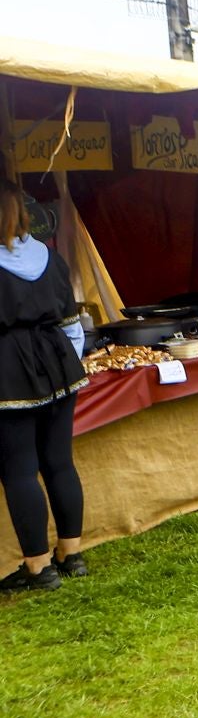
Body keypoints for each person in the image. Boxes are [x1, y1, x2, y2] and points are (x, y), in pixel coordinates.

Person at [0, 179, 87, 593]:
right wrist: (64, 366)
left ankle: (39, 568)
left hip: (7, 373)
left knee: (19, 470)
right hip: (59, 366)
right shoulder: (50, 258)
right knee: (59, 462)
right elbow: (73, 328)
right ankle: (72, 554)